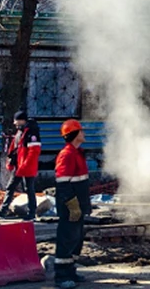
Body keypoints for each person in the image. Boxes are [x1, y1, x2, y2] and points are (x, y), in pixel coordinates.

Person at [54, 119, 91, 289]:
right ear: (74, 134)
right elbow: (62, 183)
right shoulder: (67, 154)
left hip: (79, 204)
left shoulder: (78, 152)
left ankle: (70, 271)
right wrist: (71, 204)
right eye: (81, 131)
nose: (83, 133)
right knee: (67, 238)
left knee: (76, 239)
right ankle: (61, 276)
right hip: (70, 205)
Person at [0, 110, 41, 219]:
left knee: (29, 189)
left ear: (22, 120)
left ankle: (31, 213)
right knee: (10, 186)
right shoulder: (21, 132)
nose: (14, 123)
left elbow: (34, 152)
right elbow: (15, 148)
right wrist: (11, 161)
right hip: (19, 166)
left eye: (16, 120)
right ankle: (3, 210)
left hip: (26, 167)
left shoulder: (32, 133)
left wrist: (25, 165)